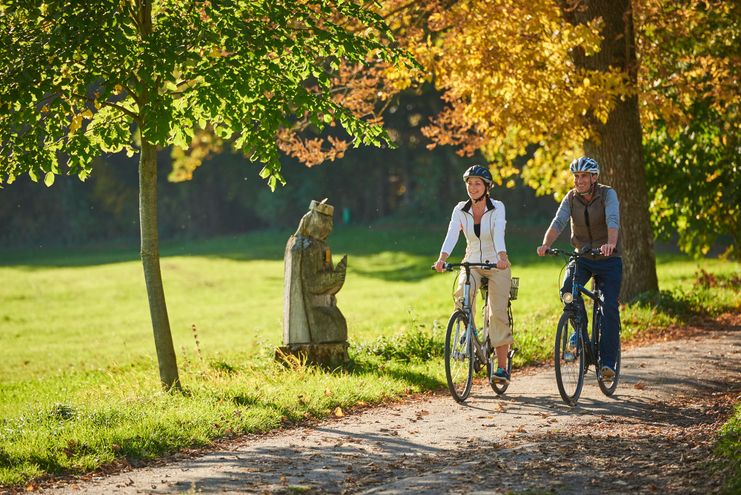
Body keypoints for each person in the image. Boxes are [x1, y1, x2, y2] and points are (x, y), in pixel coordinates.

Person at [536, 156, 622, 379]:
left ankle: (608, 362)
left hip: (608, 259)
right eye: (576, 176)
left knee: (608, 307)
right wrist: (546, 244)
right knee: (567, 290)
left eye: (583, 176)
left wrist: (611, 244)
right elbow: (558, 221)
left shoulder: (607, 194)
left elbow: (613, 219)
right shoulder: (571, 197)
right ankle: (580, 334)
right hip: (582, 256)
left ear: (594, 177)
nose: (579, 180)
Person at [434, 165, 513, 384]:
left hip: (497, 263)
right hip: (471, 261)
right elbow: (452, 233)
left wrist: (502, 256)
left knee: (496, 312)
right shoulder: (460, 209)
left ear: (487, 187)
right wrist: (442, 258)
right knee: (462, 297)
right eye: (469, 183)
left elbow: (498, 232)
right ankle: (468, 335)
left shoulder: (497, 208)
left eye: (477, 183)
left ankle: (502, 368)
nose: (472, 187)